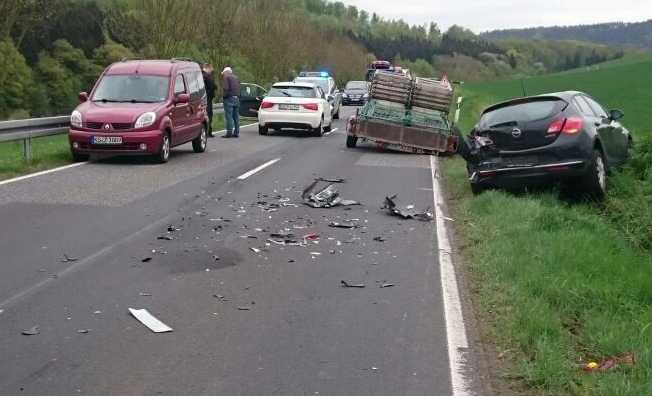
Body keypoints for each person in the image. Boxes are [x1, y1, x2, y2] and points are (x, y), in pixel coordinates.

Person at [221, 66, 241, 138]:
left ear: (226, 72)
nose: (223, 75)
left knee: (229, 117)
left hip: (229, 98)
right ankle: (236, 132)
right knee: (236, 117)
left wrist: (224, 96)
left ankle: (229, 133)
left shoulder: (226, 77)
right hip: (237, 98)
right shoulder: (236, 77)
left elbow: (226, 88)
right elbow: (239, 88)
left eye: (223, 73)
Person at [202, 64, 217, 137]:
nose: (211, 71)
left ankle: (207, 131)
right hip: (207, 99)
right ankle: (208, 132)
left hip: (204, 98)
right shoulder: (207, 76)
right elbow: (212, 86)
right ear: (207, 68)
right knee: (209, 114)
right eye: (211, 70)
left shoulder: (202, 75)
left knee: (207, 115)